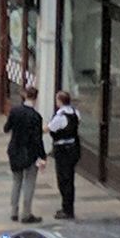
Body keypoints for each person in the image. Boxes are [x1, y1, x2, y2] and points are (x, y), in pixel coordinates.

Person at [3, 84, 46, 224]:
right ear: (36, 98)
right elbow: (37, 139)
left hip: (15, 150)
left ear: (24, 96)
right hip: (29, 153)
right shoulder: (36, 117)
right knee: (29, 182)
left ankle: (13, 211)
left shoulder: (15, 111)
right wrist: (43, 156)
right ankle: (26, 213)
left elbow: (6, 128)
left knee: (16, 181)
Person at [47, 89, 81, 220]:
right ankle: (68, 207)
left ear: (59, 101)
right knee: (70, 179)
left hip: (62, 150)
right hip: (73, 148)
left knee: (63, 179)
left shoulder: (60, 117)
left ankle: (67, 210)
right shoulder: (75, 112)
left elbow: (50, 128)